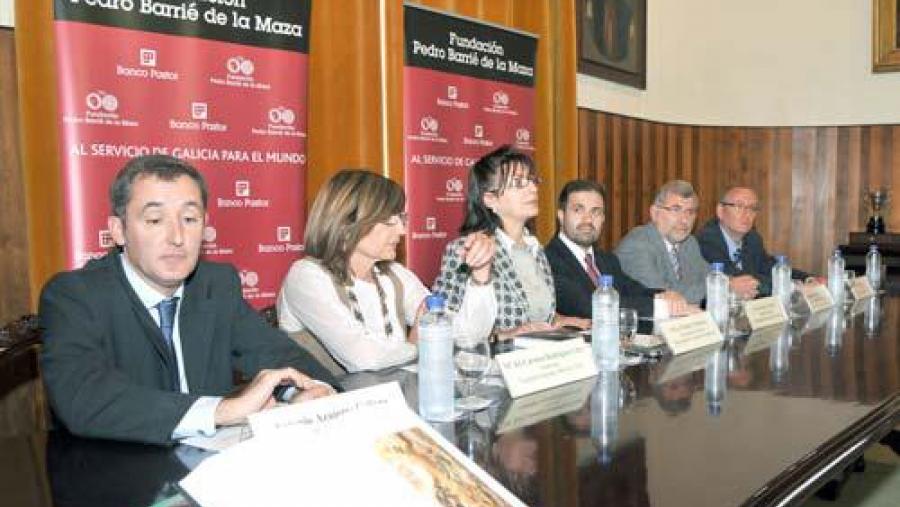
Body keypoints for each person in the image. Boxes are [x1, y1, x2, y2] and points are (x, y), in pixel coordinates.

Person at [39, 155, 336, 445]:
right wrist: (222, 411)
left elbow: (277, 354)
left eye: (190, 219)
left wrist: (303, 392)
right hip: (115, 475)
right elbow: (84, 398)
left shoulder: (216, 285)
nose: (177, 237)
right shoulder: (74, 296)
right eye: (155, 220)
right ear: (118, 230)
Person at [277, 169, 497, 372]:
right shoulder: (306, 276)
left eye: (401, 218)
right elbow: (363, 359)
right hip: (329, 409)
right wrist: (417, 344)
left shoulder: (393, 275)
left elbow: (466, 334)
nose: (402, 230)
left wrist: (480, 274)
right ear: (347, 223)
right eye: (389, 221)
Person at [433, 146, 589, 341]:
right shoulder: (466, 250)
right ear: (490, 199)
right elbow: (442, 327)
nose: (533, 188)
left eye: (532, 181)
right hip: (493, 364)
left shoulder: (536, 249)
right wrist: (507, 335)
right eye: (518, 183)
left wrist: (558, 321)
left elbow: (531, 314)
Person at [544, 179, 695, 319]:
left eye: (596, 212)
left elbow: (633, 290)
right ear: (561, 216)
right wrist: (665, 307)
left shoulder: (607, 260)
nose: (588, 220)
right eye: (578, 210)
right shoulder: (548, 261)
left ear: (603, 218)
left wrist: (665, 295)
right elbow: (590, 307)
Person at [615, 180, 759, 305]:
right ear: (655, 213)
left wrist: (741, 285)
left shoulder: (689, 242)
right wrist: (726, 287)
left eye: (690, 212)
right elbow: (661, 295)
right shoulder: (636, 245)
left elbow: (709, 275)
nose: (684, 220)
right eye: (676, 210)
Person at [696, 186, 809, 296]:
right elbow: (741, 280)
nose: (746, 214)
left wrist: (807, 278)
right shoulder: (706, 240)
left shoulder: (752, 238)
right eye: (739, 206)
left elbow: (771, 267)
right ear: (720, 211)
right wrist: (793, 287)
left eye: (752, 208)